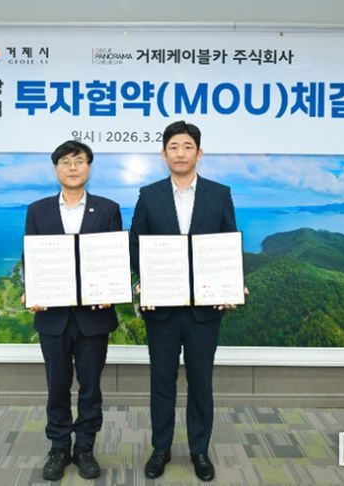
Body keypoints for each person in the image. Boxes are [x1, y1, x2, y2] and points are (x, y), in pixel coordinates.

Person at [129, 120, 246, 482]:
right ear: (163, 154)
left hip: (204, 311)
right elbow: (136, 244)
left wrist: (231, 285)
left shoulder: (219, 194)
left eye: (187, 146)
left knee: (201, 383)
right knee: (161, 383)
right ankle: (160, 448)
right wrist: (144, 281)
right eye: (173, 147)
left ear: (199, 152)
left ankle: (199, 450)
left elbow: (228, 242)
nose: (180, 153)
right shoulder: (149, 195)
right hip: (161, 310)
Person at [23, 140, 121, 481]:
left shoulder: (108, 209)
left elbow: (114, 256)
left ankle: (85, 448)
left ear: (89, 167)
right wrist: (33, 290)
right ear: (56, 169)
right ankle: (59, 447)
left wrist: (111, 290)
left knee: (90, 387)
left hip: (94, 316)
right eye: (65, 162)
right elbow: (31, 257)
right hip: (53, 316)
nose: (73, 167)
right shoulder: (38, 210)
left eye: (79, 161)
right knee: (57, 386)